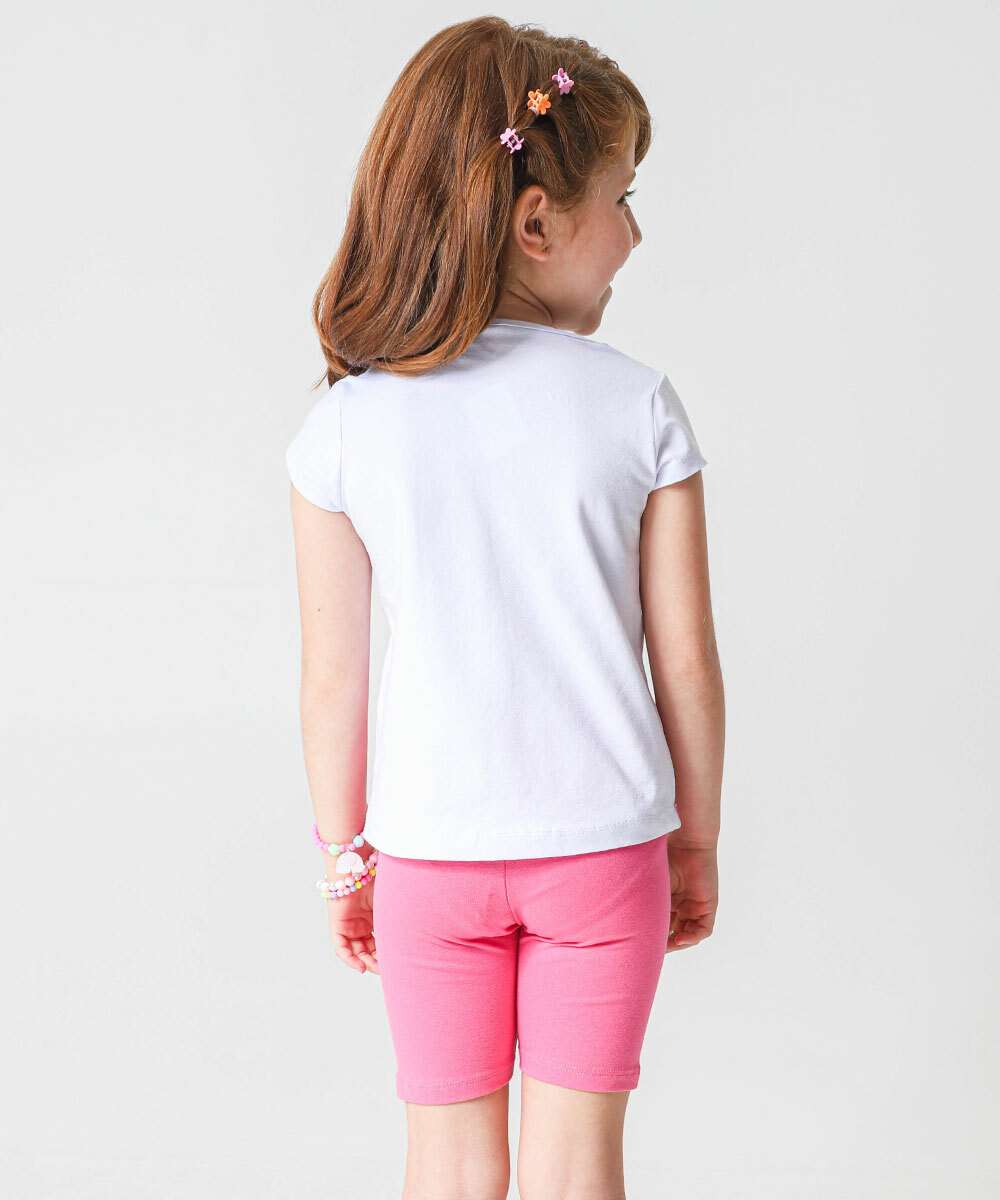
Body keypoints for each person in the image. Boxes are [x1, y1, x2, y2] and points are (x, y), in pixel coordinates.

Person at [285, 16, 724, 1199]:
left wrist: (344, 862)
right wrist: (692, 841)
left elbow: (333, 679)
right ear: (537, 223)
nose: (634, 234)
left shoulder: (344, 427)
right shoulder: (637, 406)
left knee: (445, 1167)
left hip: (431, 856)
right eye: (623, 199)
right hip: (604, 851)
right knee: (578, 1170)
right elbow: (685, 663)